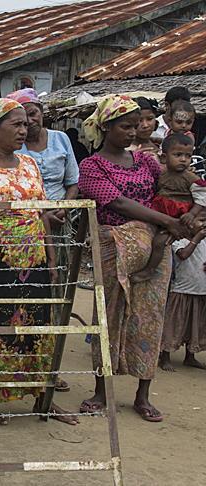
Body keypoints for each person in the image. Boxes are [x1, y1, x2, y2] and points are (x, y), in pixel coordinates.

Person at [0, 98, 76, 426]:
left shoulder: (30, 165)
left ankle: (41, 399)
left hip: (33, 260)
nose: (25, 129)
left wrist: (50, 259)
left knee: (37, 330)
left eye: (26, 124)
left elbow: (41, 215)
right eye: (16, 124)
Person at [77, 95, 189, 423]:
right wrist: (165, 222)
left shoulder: (147, 162)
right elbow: (118, 203)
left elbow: (166, 192)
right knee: (109, 315)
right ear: (105, 127)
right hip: (113, 245)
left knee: (150, 316)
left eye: (136, 125)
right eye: (125, 126)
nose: (133, 131)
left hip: (156, 244)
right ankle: (101, 390)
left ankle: (143, 394)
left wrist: (175, 218)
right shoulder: (91, 166)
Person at [8, 87, 80, 393]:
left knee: (56, 290)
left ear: (41, 112)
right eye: (22, 119)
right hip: (26, 224)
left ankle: (49, 364)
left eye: (33, 114)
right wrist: (40, 215)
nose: (29, 123)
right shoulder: (15, 148)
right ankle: (20, 363)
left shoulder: (61, 139)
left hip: (60, 223)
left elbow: (73, 181)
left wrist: (60, 210)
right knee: (26, 292)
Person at [131, 134, 206, 283]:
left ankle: (149, 270)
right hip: (159, 213)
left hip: (179, 218)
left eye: (188, 156)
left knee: (159, 242)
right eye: (178, 155)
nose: (183, 159)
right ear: (164, 157)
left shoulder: (191, 178)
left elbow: (202, 197)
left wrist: (191, 214)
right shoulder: (161, 174)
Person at [158, 225, 206, 371]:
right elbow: (183, 255)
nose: (203, 224)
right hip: (181, 290)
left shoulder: (205, 242)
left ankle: (190, 357)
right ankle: (165, 357)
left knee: (194, 325)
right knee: (173, 324)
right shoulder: (179, 241)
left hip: (200, 290)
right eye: (200, 220)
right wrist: (197, 238)